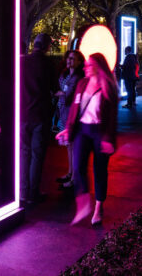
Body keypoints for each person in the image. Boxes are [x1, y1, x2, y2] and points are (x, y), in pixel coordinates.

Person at [56, 52, 118, 226]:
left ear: (98, 67)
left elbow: (112, 117)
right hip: (82, 130)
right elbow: (75, 110)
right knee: (77, 167)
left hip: (99, 131)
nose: (85, 67)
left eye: (89, 65)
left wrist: (108, 139)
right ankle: (83, 203)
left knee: (100, 170)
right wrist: (67, 129)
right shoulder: (82, 83)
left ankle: (98, 207)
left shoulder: (108, 87)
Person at [20, 33, 57, 204]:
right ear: (46, 46)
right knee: (36, 155)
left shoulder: (22, 62)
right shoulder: (48, 63)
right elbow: (55, 88)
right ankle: (33, 192)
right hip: (40, 115)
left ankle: (22, 192)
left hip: (22, 114)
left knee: (24, 153)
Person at [55, 50, 85, 189]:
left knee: (72, 145)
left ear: (79, 62)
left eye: (73, 59)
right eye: (68, 58)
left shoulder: (78, 78)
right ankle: (70, 172)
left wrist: (58, 93)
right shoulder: (65, 74)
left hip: (71, 114)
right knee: (68, 145)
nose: (69, 61)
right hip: (63, 112)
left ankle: (74, 178)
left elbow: (68, 95)